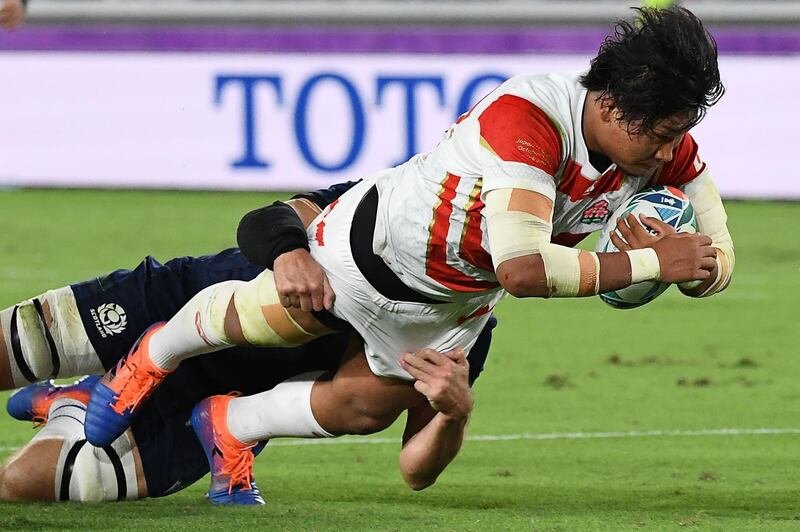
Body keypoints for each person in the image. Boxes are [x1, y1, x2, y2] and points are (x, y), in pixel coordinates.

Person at [85, 5, 735, 501]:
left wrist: (700, 269)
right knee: (270, 321)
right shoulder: (530, 119)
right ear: (617, 105)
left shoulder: (658, 143)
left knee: (364, 410)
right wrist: (655, 263)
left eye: (679, 134)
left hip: (456, 302)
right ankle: (152, 354)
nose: (667, 151)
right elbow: (525, 269)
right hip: (377, 248)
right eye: (664, 133)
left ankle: (231, 423)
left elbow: (716, 248)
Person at [0, 332, 484, 503]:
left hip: (239, 396)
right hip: (194, 342)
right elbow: (270, 221)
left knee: (36, 484)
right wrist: (287, 250)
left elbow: (416, 472)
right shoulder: (370, 220)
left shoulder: (466, 330)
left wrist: (454, 414)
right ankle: (128, 370)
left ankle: (75, 400)